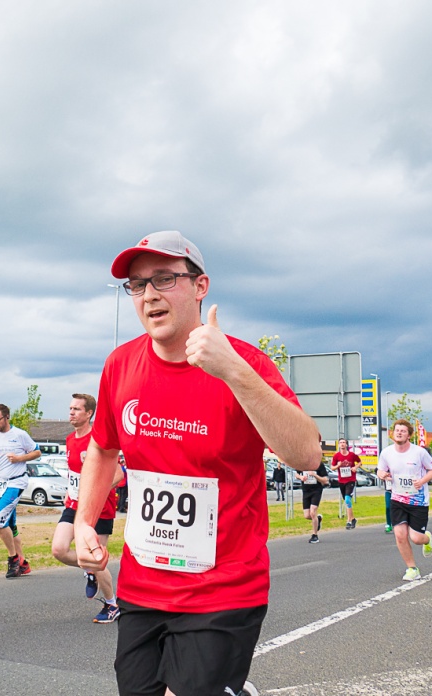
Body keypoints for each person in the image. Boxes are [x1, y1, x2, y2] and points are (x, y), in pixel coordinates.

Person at [74, 231, 321, 696]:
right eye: (137, 284)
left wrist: (233, 372)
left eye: (164, 279)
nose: (148, 295)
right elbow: (103, 449)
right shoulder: (120, 365)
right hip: (143, 583)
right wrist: (85, 522)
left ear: (200, 286)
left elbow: (307, 454)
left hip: (224, 588)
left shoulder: (244, 363)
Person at [50, 393, 122, 623]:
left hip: (100, 507)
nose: (71, 413)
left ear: (89, 413)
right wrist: (71, 494)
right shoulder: (70, 439)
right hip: (74, 504)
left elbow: (119, 474)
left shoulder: (99, 439)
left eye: (77, 409)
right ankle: (88, 571)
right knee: (59, 549)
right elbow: (74, 474)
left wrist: (95, 491)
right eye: (70, 408)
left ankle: (112, 605)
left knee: (96, 558)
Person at [0, 403, 41, 578]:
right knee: (10, 526)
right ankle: (23, 563)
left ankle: (13, 560)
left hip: (17, 482)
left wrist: (20, 458)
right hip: (0, 484)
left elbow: (37, 452)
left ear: (7, 417)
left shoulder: (20, 435)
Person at [375, 419, 432, 582]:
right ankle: (412, 568)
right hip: (397, 499)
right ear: (392, 433)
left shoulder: (419, 452)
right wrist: (381, 474)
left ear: (409, 435)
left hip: (418, 501)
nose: (399, 433)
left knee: (416, 538)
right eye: (397, 430)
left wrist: (422, 481)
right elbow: (380, 469)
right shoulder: (386, 453)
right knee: (400, 535)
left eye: (403, 431)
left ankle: (427, 539)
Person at [296, 460, 329, 543]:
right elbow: (296, 474)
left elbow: (325, 480)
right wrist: (301, 477)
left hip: (316, 491)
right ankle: (318, 519)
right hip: (306, 491)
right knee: (307, 515)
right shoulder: (302, 464)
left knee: (313, 512)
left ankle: (315, 535)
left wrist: (315, 475)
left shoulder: (318, 464)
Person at [332, 438, 360, 529]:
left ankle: (348, 521)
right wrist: (338, 465)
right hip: (341, 481)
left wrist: (355, 467)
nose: (342, 444)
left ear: (347, 445)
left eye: (344, 442)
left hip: (351, 480)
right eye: (340, 443)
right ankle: (353, 519)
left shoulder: (352, 455)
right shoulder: (336, 456)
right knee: (347, 501)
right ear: (339, 445)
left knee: (347, 500)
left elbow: (360, 462)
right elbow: (332, 468)